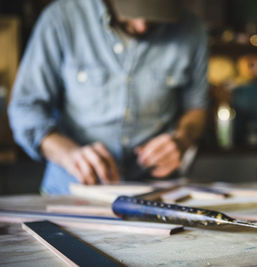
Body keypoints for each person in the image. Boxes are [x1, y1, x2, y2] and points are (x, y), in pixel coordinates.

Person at [8, 0, 208, 195]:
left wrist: (182, 139)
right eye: (131, 14)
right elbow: (25, 108)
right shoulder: (61, 18)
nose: (142, 25)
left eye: (154, 16)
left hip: (157, 193)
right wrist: (70, 154)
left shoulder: (192, 29)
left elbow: (196, 108)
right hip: (71, 191)